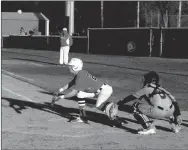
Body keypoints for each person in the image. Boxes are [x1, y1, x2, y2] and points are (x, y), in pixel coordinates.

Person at [50, 58, 118, 123]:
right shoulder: (81, 73)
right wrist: (60, 90)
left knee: (98, 106)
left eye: (71, 66)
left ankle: (112, 110)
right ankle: (83, 117)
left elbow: (73, 93)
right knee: (80, 94)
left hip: (104, 91)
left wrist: (60, 97)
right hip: (98, 91)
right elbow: (71, 83)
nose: (69, 67)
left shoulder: (80, 76)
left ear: (75, 67)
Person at [117, 71, 182, 135]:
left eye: (145, 79)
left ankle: (149, 127)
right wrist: (178, 114)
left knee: (135, 106)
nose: (144, 80)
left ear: (149, 80)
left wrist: (119, 103)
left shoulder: (147, 89)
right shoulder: (162, 89)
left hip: (158, 112)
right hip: (170, 112)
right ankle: (175, 127)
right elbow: (174, 101)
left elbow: (131, 97)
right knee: (168, 106)